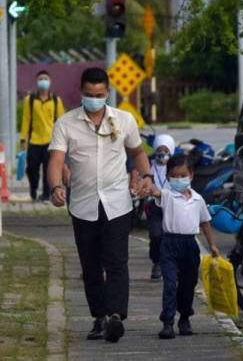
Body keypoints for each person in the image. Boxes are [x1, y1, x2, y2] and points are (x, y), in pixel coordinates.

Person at [48, 67, 153, 343]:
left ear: (107, 93)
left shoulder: (124, 120)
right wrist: (56, 186)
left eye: (99, 94)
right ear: (81, 93)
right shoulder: (66, 123)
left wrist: (148, 176)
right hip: (83, 205)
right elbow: (56, 160)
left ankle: (116, 316)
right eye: (89, 94)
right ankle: (99, 317)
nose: (94, 99)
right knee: (91, 265)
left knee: (117, 261)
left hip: (118, 202)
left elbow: (138, 153)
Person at [146, 154, 220, 339]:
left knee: (188, 285)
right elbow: (155, 191)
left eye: (182, 175)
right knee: (170, 284)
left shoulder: (198, 199)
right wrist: (146, 183)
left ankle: (185, 317)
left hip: (190, 245)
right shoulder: (167, 195)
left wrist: (212, 245)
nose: (178, 180)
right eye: (174, 176)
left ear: (191, 175)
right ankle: (168, 322)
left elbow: (205, 223)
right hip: (169, 244)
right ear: (168, 177)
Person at [20, 70, 66, 202]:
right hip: (34, 141)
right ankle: (33, 190)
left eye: (46, 78)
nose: (43, 81)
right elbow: (26, 121)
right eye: (41, 79)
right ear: (37, 81)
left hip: (51, 142)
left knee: (48, 169)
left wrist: (63, 141)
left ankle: (46, 195)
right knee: (32, 169)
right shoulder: (30, 100)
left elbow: (62, 122)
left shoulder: (56, 101)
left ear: (50, 82)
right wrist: (23, 143)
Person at [148, 134, 176, 281]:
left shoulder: (176, 165)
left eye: (166, 150)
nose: (163, 153)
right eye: (159, 149)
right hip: (155, 205)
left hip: (172, 205)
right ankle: (156, 262)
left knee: (173, 236)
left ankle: (172, 265)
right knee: (156, 235)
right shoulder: (149, 165)